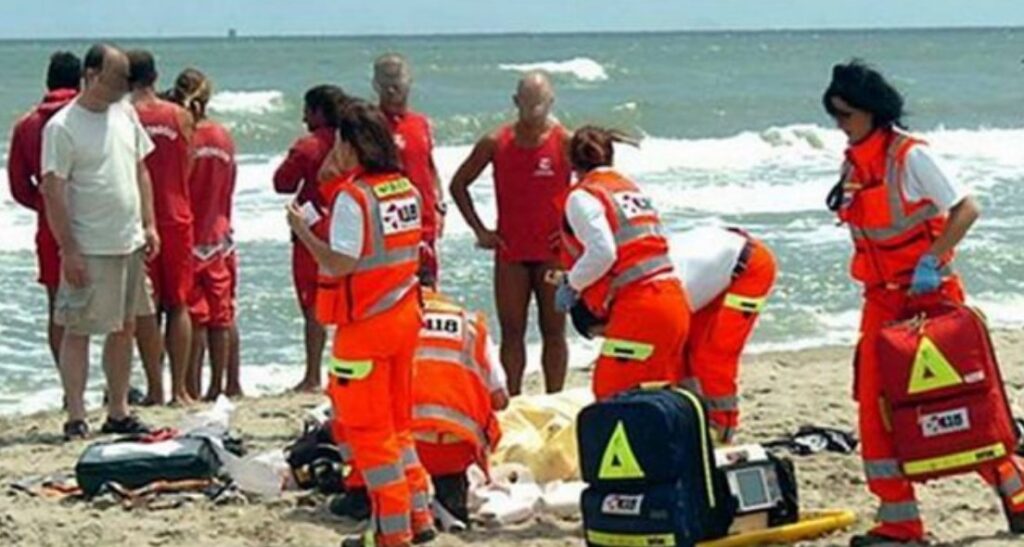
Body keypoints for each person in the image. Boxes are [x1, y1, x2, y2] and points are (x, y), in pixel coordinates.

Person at [823, 60, 1024, 545]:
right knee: (876, 408)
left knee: (960, 403)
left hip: (929, 297)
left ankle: (1018, 494)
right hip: (880, 302)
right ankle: (900, 522)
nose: (840, 125)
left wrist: (932, 261)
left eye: (846, 114)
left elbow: (967, 208)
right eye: (834, 115)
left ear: (872, 111)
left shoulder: (910, 157)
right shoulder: (854, 165)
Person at [287, 99, 435, 547]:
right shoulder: (404, 190)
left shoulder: (355, 198)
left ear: (352, 145)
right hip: (403, 318)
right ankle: (419, 516)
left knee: (369, 434)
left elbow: (341, 261)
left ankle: (392, 532)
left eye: (339, 143)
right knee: (398, 427)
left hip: (365, 327)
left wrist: (303, 232)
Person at [40, 43, 158, 439]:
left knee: (125, 326)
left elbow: (140, 170)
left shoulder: (125, 113)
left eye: (126, 80)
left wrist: (150, 224)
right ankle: (76, 414)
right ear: (91, 75)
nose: (123, 87)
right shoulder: (62, 127)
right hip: (90, 245)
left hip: (129, 239)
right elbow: (53, 191)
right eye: (116, 79)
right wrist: (69, 249)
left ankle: (118, 410)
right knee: (79, 329)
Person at [330, 268, 508, 527]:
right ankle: (450, 493)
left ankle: (360, 491)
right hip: (456, 446)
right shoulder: (470, 323)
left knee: (347, 401)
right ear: (435, 283)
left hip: (399, 448)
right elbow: (500, 399)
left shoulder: (381, 323)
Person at [450, 70, 570, 396]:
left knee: (554, 332)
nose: (534, 111)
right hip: (511, 254)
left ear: (551, 101)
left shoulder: (565, 142)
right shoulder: (495, 142)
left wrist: (572, 232)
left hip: (553, 255)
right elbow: (459, 185)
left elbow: (592, 186)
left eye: (540, 104)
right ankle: (514, 398)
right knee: (512, 332)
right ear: (516, 102)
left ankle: (555, 398)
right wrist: (480, 230)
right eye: (527, 104)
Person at [555, 126, 688, 400]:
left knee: (611, 394)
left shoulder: (583, 196)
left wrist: (572, 282)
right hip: (673, 300)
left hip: (642, 306)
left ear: (571, 162)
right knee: (655, 395)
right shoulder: (629, 190)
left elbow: (603, 253)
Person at [165, 68, 241, 401]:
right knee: (223, 316)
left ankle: (191, 386)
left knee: (192, 317)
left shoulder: (187, 138)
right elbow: (230, 184)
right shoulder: (223, 136)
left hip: (191, 236)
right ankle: (222, 385)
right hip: (221, 234)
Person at [127, 49, 196, 406]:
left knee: (147, 308)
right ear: (155, 77)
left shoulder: (124, 116)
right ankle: (180, 390)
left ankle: (155, 388)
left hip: (140, 217)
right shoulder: (179, 115)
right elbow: (189, 165)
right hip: (177, 214)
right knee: (179, 304)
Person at [7, 51, 81, 368]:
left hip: (51, 223)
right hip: (96, 216)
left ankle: (69, 383)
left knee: (58, 308)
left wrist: (44, 203)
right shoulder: (89, 117)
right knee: (110, 307)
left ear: (48, 82)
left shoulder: (26, 125)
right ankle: (115, 383)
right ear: (80, 81)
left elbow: (18, 185)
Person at [674, 226, 776, 444]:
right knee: (683, 351)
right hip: (713, 266)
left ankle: (723, 430)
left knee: (714, 355)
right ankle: (695, 420)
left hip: (750, 267)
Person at [274, 84, 346, 393]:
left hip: (313, 229)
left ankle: (313, 375)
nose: (304, 118)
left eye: (307, 111)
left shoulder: (309, 146)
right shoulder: (352, 141)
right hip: (348, 222)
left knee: (312, 304)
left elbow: (282, 182)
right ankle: (342, 371)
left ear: (318, 112)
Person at [373, 53, 445, 281]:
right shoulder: (370, 124)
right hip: (390, 231)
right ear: (375, 85)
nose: (391, 89)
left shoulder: (420, 123)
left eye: (396, 82)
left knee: (427, 293)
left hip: (425, 228)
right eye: (385, 83)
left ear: (409, 81)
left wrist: (440, 206)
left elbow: (429, 167)